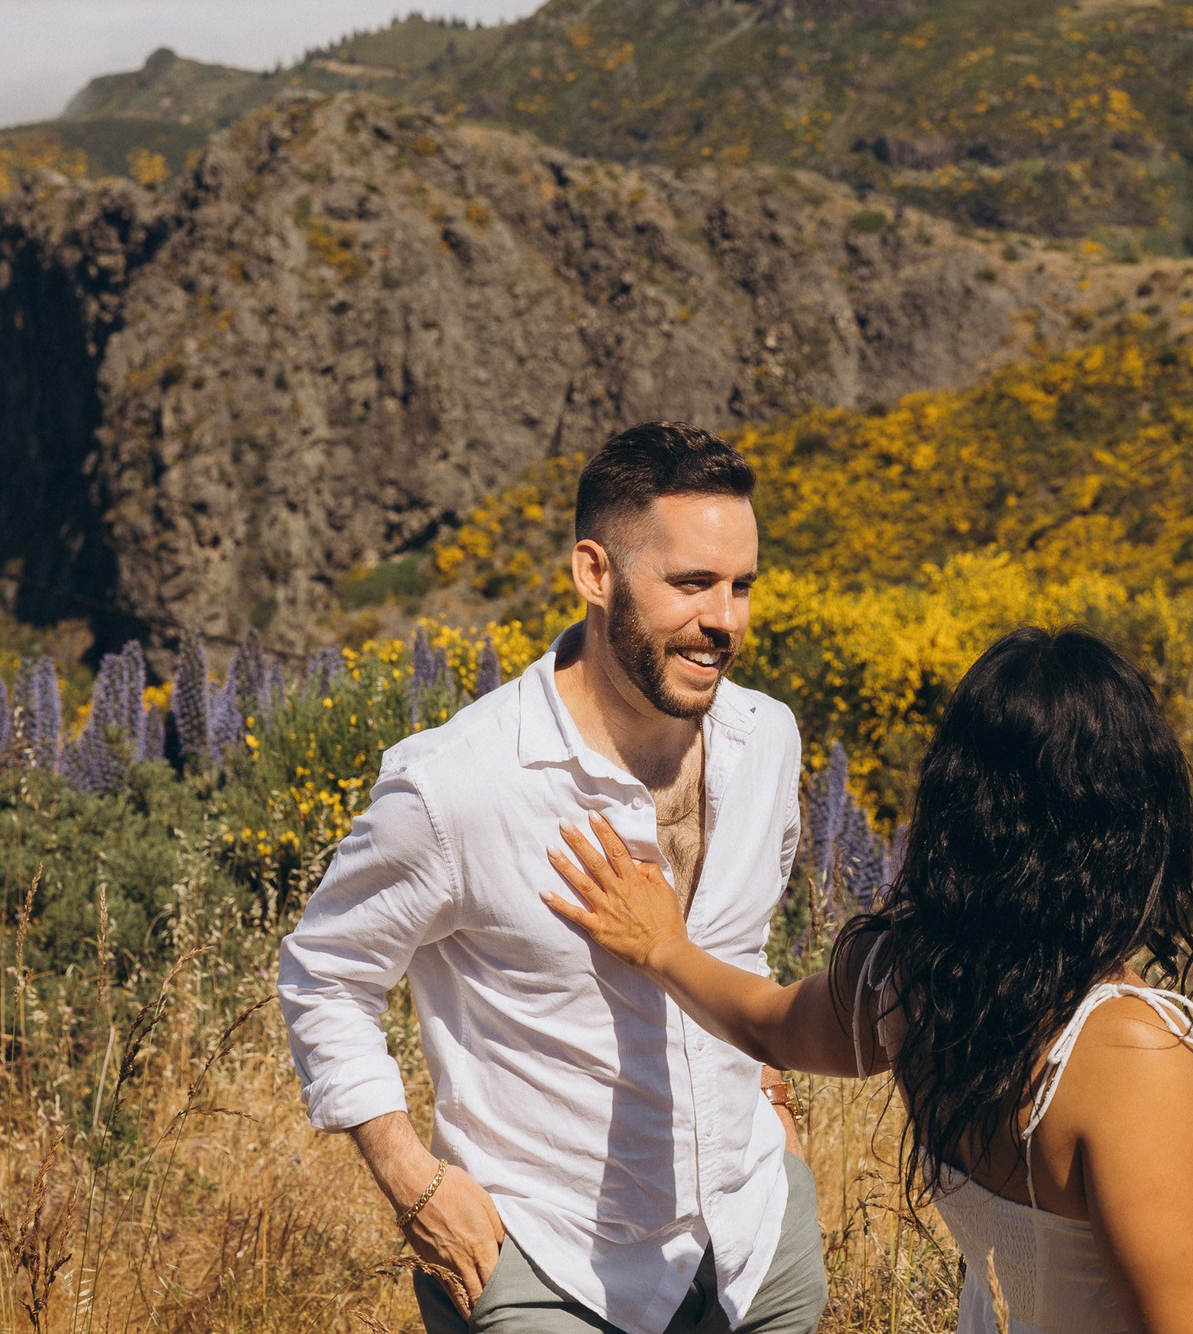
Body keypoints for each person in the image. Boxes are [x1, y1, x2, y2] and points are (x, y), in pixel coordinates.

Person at [543, 627, 1193, 1334]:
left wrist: (664, 947)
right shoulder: (1130, 1059)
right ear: (1135, 819)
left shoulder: (911, 981)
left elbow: (767, 1020)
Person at [278, 422, 827, 1334]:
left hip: (752, 1234)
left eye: (741, 586)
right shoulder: (457, 784)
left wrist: (768, 1092)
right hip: (552, 1258)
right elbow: (323, 978)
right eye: (691, 583)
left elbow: (746, 935)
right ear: (595, 573)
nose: (725, 620)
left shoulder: (767, 737)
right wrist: (414, 1183)